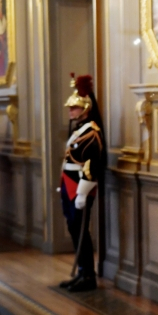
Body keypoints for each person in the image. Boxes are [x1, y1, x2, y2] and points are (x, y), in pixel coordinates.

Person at [59, 75, 105, 293]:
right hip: (69, 184)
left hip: (80, 186)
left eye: (74, 108)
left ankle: (88, 275)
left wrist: (82, 192)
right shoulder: (80, 130)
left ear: (85, 108)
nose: (70, 111)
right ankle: (81, 271)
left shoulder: (92, 133)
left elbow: (92, 165)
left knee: (81, 230)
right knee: (74, 228)